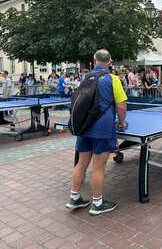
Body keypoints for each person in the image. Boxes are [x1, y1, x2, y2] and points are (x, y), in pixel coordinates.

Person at [66, 49, 127, 216]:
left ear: (94, 60)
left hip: (84, 127)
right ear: (110, 61)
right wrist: (122, 123)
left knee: (81, 163)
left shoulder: (85, 78)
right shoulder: (113, 79)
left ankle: (74, 197)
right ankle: (97, 204)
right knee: (98, 167)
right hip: (103, 128)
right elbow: (121, 106)